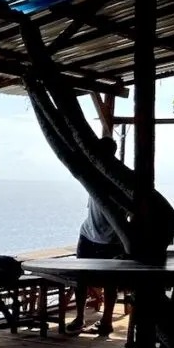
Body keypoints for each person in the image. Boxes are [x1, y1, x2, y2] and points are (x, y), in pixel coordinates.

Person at [67, 136, 123, 336]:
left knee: (110, 283)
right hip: (88, 234)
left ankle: (106, 321)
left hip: (112, 239)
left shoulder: (119, 177)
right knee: (81, 278)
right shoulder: (91, 172)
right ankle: (80, 318)